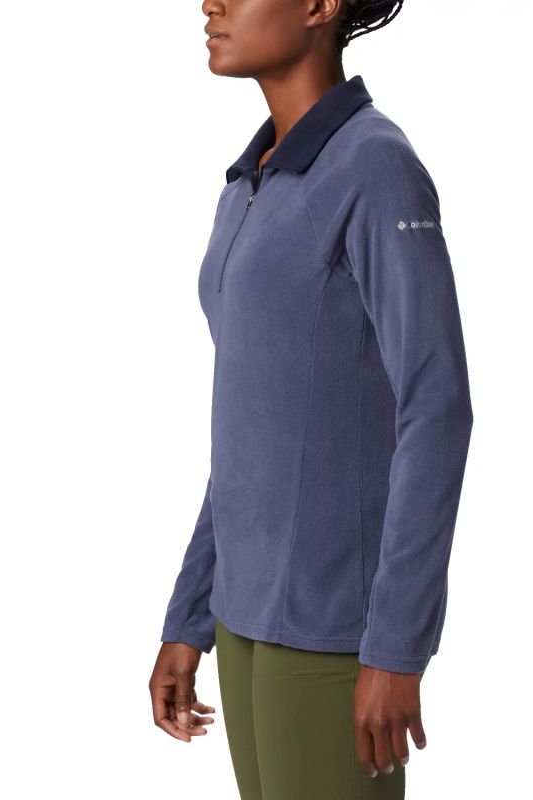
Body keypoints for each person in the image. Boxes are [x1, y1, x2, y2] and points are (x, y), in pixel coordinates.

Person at [149, 1, 474, 797]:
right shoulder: (248, 185)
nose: (210, 4)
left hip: (333, 634)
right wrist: (191, 614)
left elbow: (436, 409)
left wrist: (395, 646)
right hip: (242, 621)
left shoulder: (374, 168)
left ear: (321, 6)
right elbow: (251, 427)